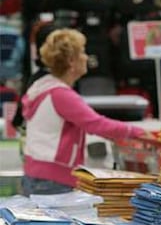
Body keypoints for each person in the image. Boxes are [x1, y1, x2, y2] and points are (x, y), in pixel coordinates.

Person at [21, 28, 148, 196]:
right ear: (71, 61)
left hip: (37, 174)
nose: (86, 57)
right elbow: (97, 124)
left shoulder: (43, 88)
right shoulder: (61, 95)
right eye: (82, 52)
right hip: (53, 180)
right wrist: (138, 132)